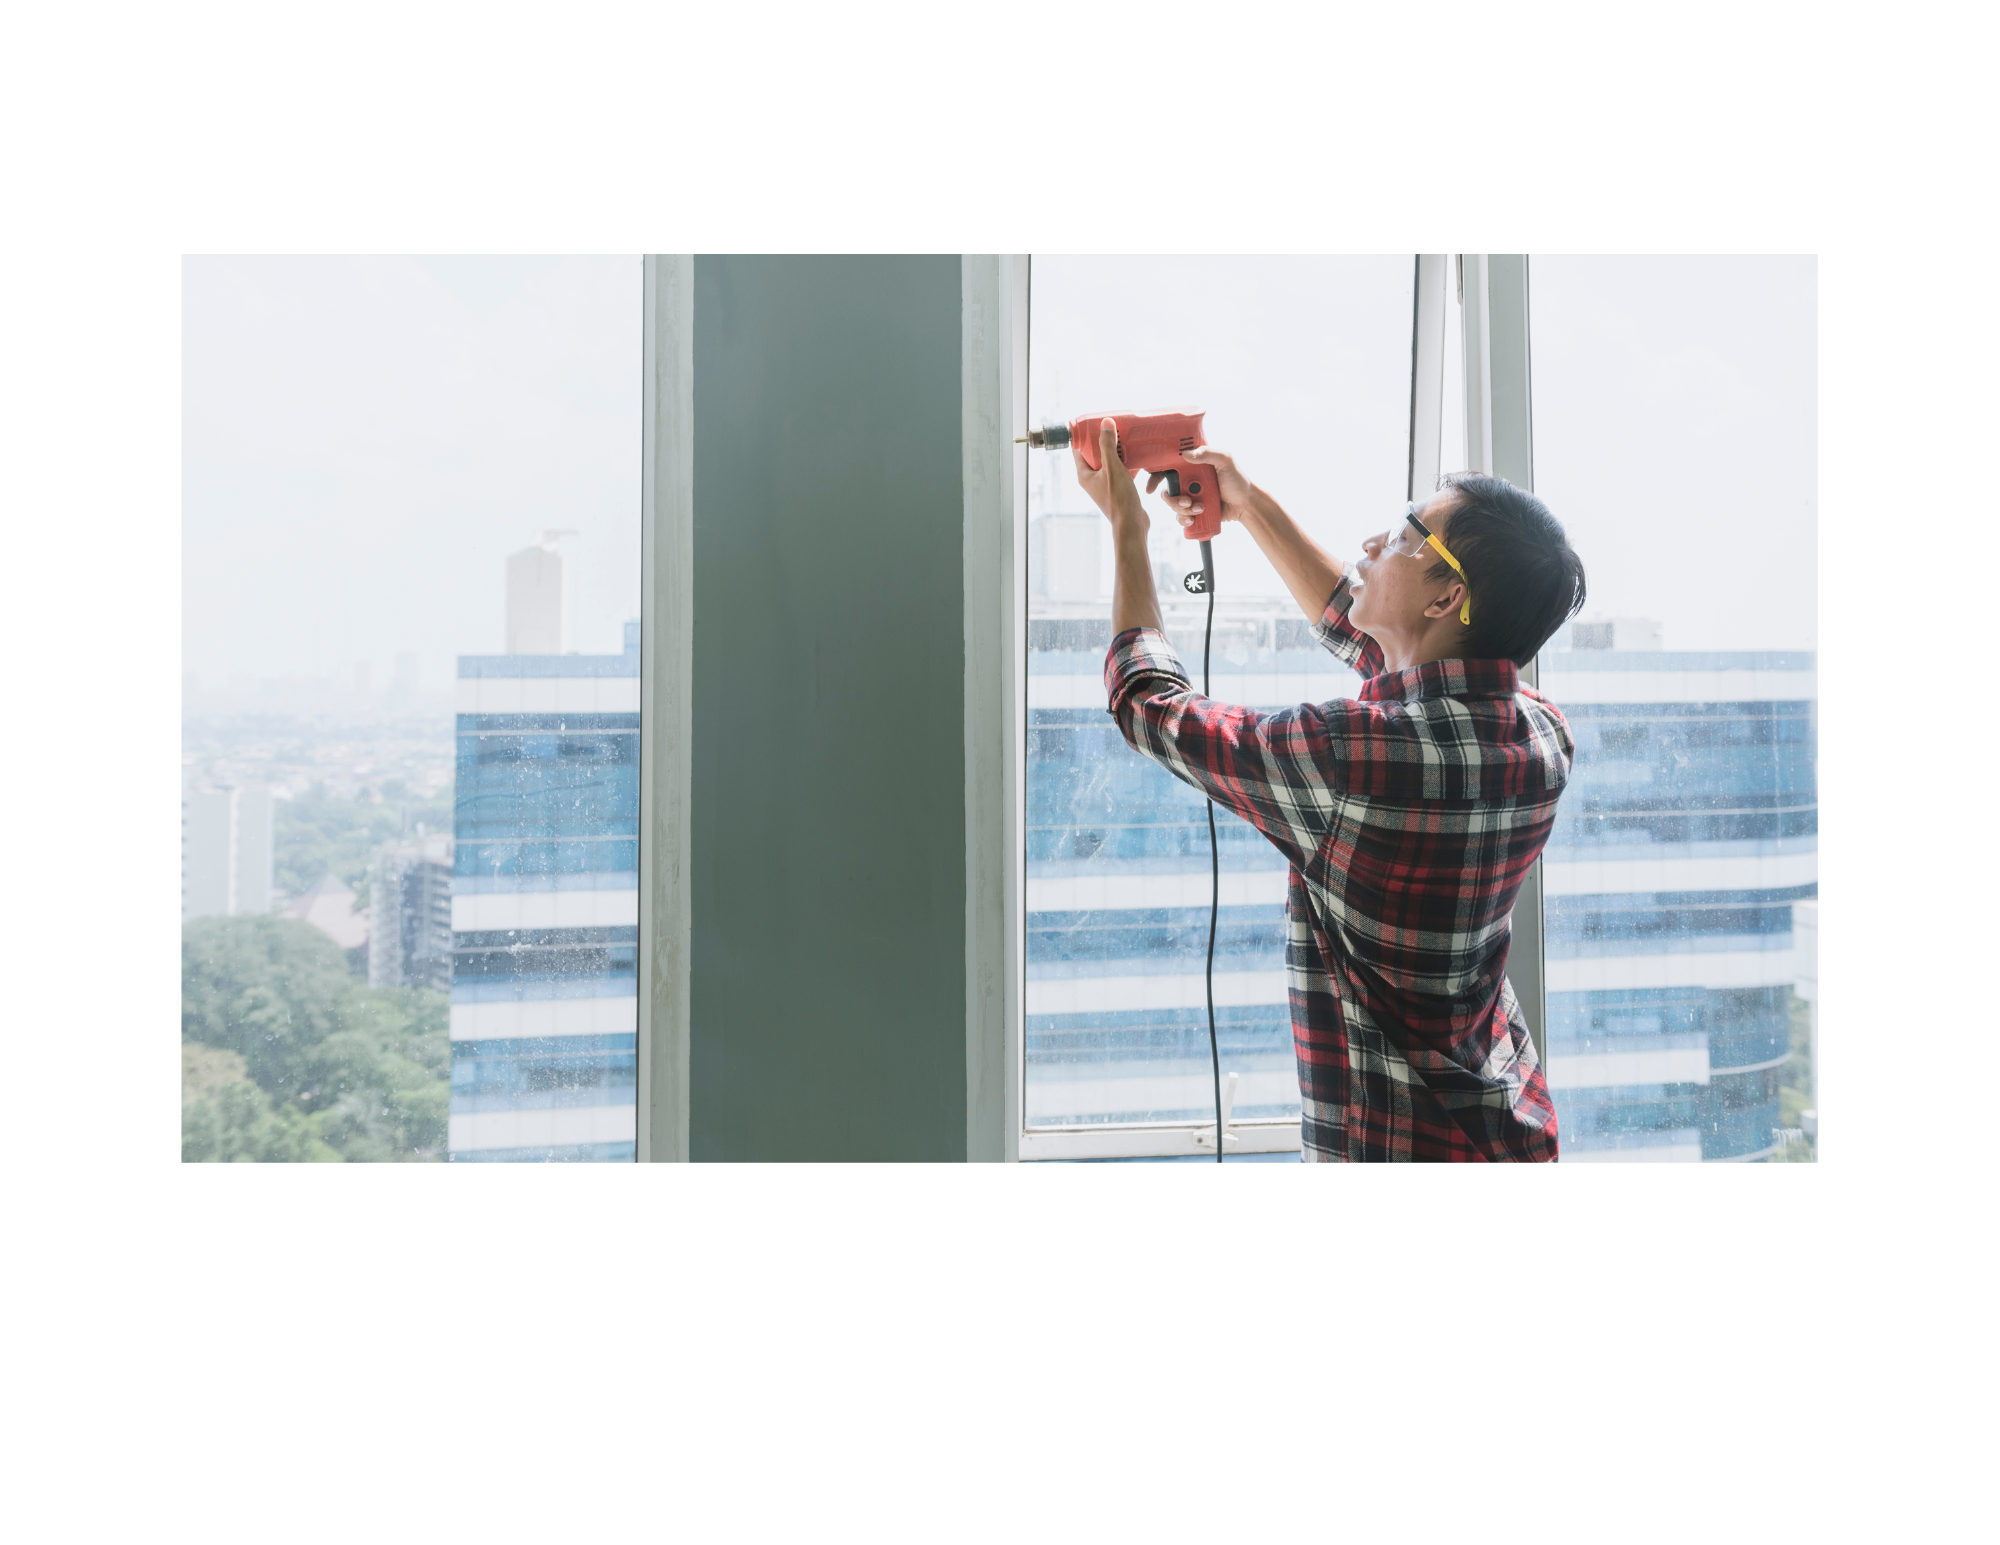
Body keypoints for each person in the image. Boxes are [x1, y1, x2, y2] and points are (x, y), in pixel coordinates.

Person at [1070, 419, 1587, 1162]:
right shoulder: (1542, 738)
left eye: (1409, 536)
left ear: (1447, 598)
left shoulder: (1352, 755)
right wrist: (1245, 503)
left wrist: (1128, 526)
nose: (1376, 542)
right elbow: (1386, 649)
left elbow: (1153, 707)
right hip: (1506, 1127)